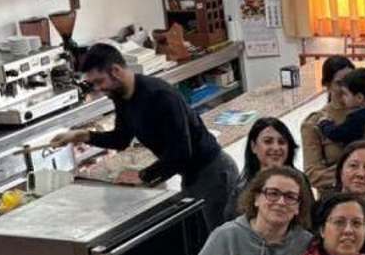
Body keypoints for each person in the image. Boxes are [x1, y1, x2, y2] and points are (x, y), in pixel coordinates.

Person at [51, 43, 235, 223]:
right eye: (93, 84)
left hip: (213, 173)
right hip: (191, 175)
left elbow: (180, 152)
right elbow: (121, 139)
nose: (98, 88)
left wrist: (143, 175)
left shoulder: (159, 95)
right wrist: (81, 135)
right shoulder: (122, 97)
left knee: (221, 245)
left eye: (99, 81)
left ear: (116, 70)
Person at [227, 117, 300, 221]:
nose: (276, 148)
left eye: (281, 142)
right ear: (253, 147)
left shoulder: (300, 181)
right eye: (268, 141)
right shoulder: (241, 192)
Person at [301, 55, 356, 192]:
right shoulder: (313, 123)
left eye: (350, 81)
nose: (346, 88)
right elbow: (313, 175)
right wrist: (353, 175)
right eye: (339, 83)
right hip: (335, 198)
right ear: (327, 85)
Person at [317, 67, 365, 148]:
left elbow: (336, 134)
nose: (342, 97)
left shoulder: (357, 119)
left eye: (345, 94)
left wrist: (324, 123)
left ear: (359, 98)